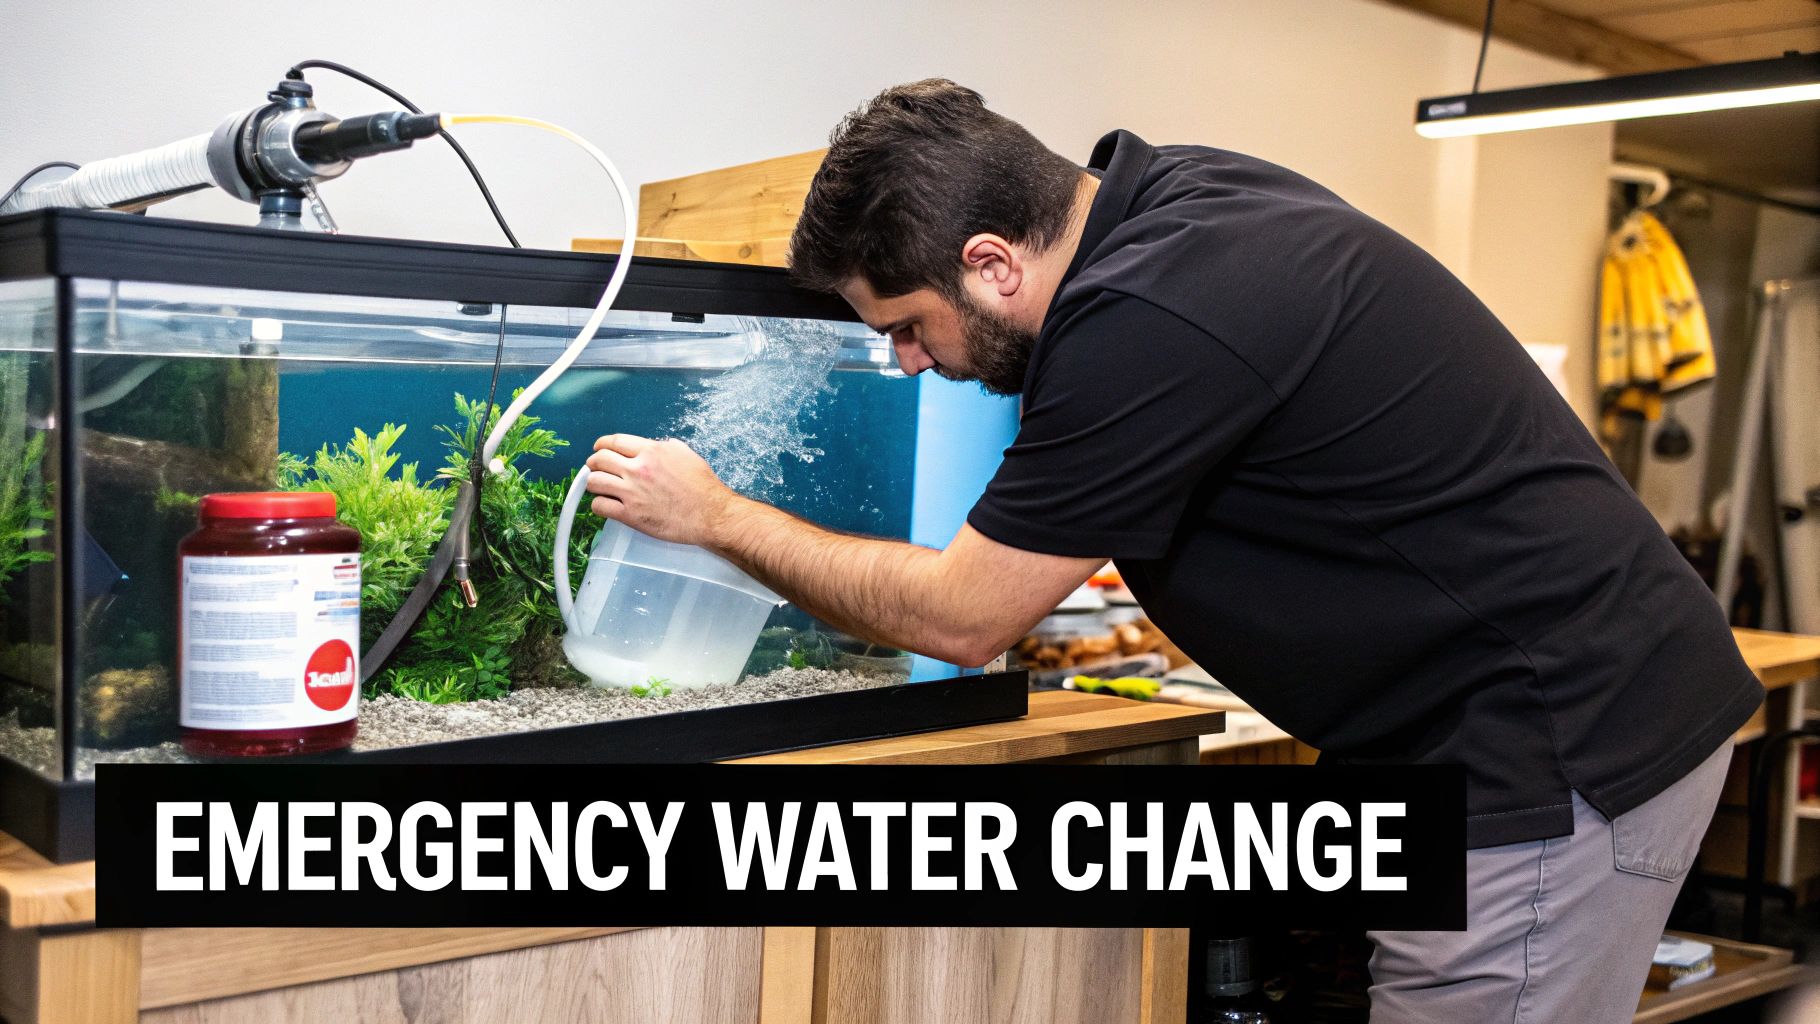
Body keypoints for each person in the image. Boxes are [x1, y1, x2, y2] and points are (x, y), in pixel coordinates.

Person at [583, 79, 1763, 1022]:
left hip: (1550, 747)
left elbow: (959, 615)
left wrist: (717, 515)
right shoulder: (1173, 199)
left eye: (906, 327)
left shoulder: (1143, 316)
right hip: (1491, 719)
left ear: (991, 262)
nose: (904, 362)